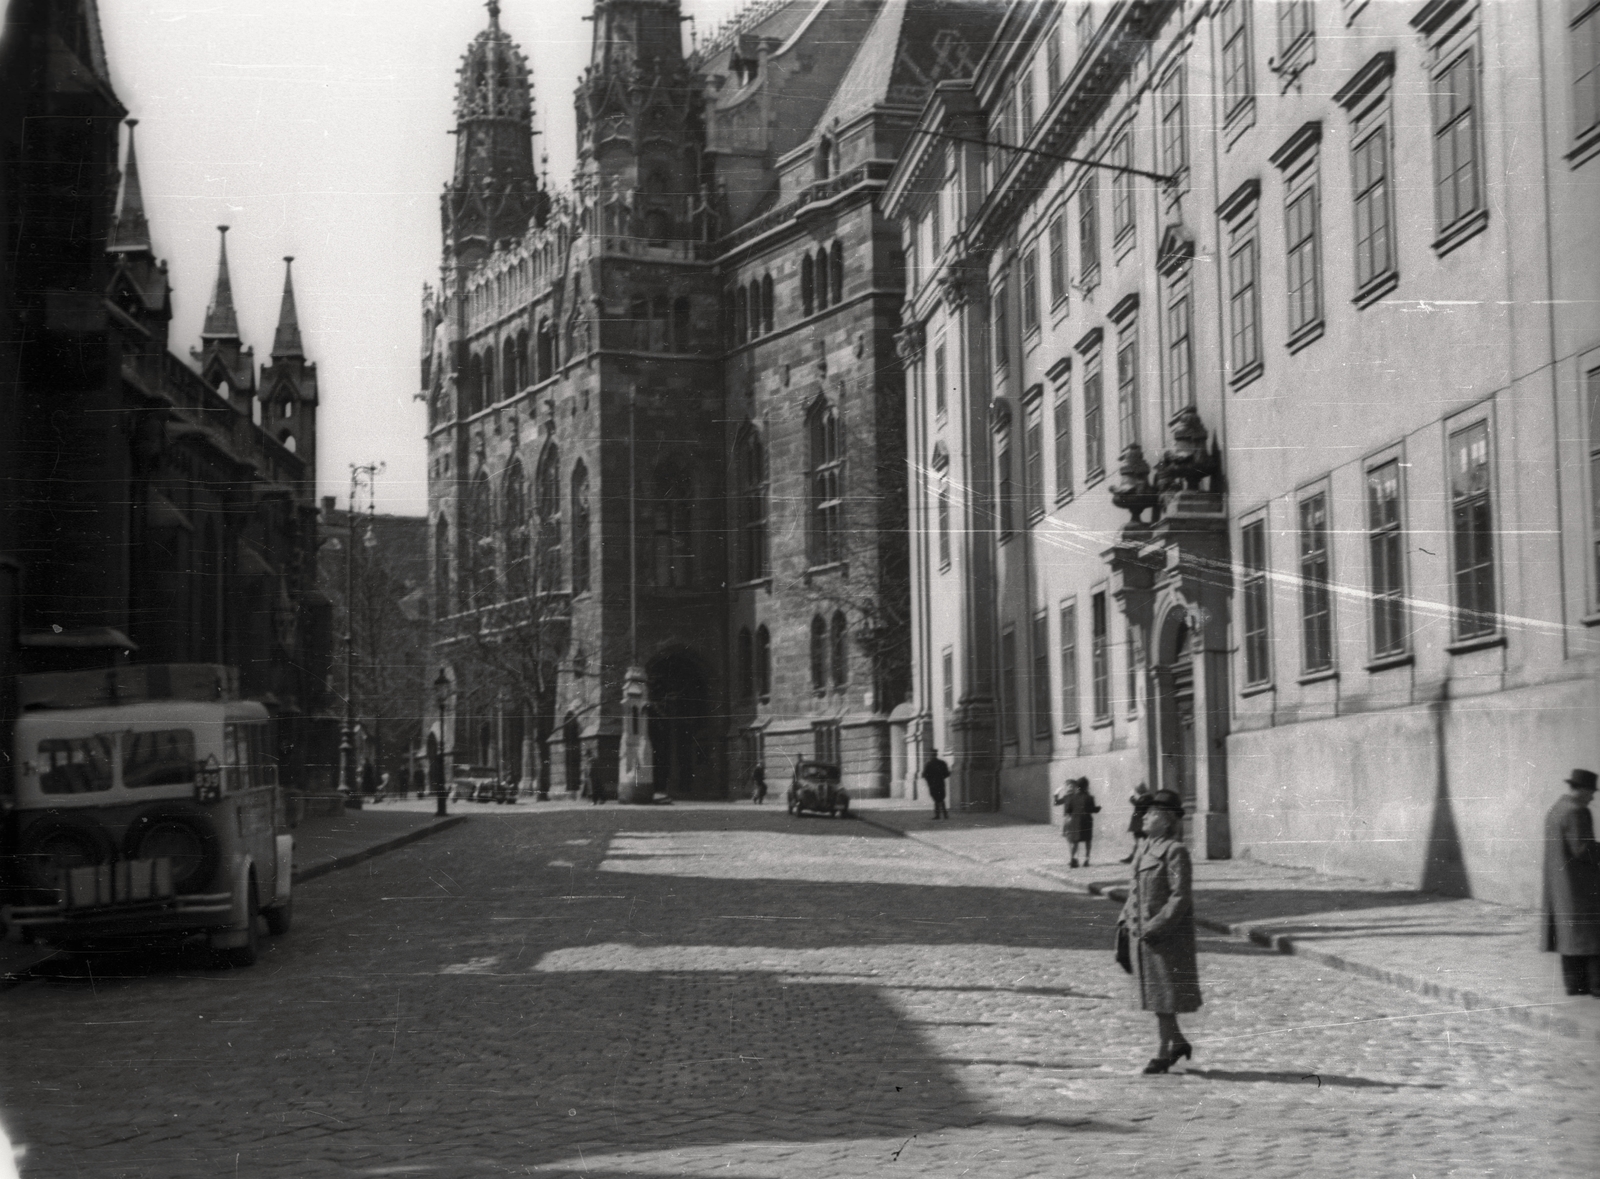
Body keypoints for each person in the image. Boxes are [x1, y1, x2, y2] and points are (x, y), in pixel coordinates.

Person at [1119, 789, 1201, 1074]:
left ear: (1167, 821)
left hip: (1165, 937)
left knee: (1164, 996)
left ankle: (1163, 1053)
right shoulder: (1143, 849)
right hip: (1141, 936)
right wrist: (1126, 921)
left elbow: (1180, 896)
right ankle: (1177, 1042)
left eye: (1152, 813)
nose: (1145, 817)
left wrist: (1156, 926)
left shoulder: (1174, 852)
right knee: (1157, 996)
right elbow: (1133, 891)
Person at [1542, 768, 1600, 996]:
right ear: (1582, 790)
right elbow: (1583, 849)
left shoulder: (1556, 810)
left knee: (1570, 937)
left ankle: (1574, 985)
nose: (1592, 797)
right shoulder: (1578, 811)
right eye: (1591, 792)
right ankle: (1597, 986)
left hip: (1561, 887)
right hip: (1581, 886)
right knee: (1592, 935)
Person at [1057, 777, 1101, 868]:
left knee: (1075, 841)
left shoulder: (1072, 797)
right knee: (1088, 841)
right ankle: (1086, 860)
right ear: (1086, 786)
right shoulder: (1089, 797)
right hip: (1086, 821)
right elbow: (1092, 810)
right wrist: (1098, 808)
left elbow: (1068, 810)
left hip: (1075, 822)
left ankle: (1073, 859)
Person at [1121, 782, 1153, 864]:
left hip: (1141, 822)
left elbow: (1140, 806)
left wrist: (1132, 799)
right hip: (1139, 822)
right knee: (1140, 841)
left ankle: (1141, 856)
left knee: (1144, 840)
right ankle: (1134, 856)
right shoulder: (1145, 797)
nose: (1138, 792)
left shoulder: (1147, 797)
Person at [921, 749, 951, 820]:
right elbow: (947, 774)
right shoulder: (942, 763)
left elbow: (924, 775)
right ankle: (945, 814)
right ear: (936, 754)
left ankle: (938, 815)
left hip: (932, 784)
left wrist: (929, 781)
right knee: (941, 799)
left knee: (936, 799)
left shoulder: (929, 764)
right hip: (940, 783)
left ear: (931, 755)